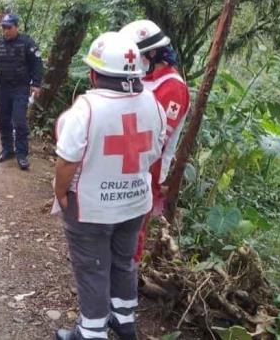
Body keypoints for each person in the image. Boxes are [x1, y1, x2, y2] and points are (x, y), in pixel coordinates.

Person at [53, 32, 166, 340]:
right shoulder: (153, 103)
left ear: (93, 73)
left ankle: (91, 333)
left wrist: (60, 192)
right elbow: (156, 150)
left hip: (91, 208)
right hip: (133, 203)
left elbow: (67, 161)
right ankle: (124, 318)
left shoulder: (87, 109)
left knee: (92, 267)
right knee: (124, 261)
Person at [119, 20, 190, 262]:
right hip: (122, 162)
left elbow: (155, 138)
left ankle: (127, 283)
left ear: (151, 53)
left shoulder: (172, 87)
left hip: (148, 168)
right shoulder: (143, 77)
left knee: (133, 230)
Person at [0, 13, 44, 170]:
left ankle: (22, 154)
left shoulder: (27, 43)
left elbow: (37, 64)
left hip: (20, 88)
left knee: (19, 121)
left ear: (16, 27)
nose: (6, 31)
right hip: (2, 88)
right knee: (4, 121)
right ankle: (7, 149)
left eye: (9, 27)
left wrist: (36, 84)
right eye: (3, 27)